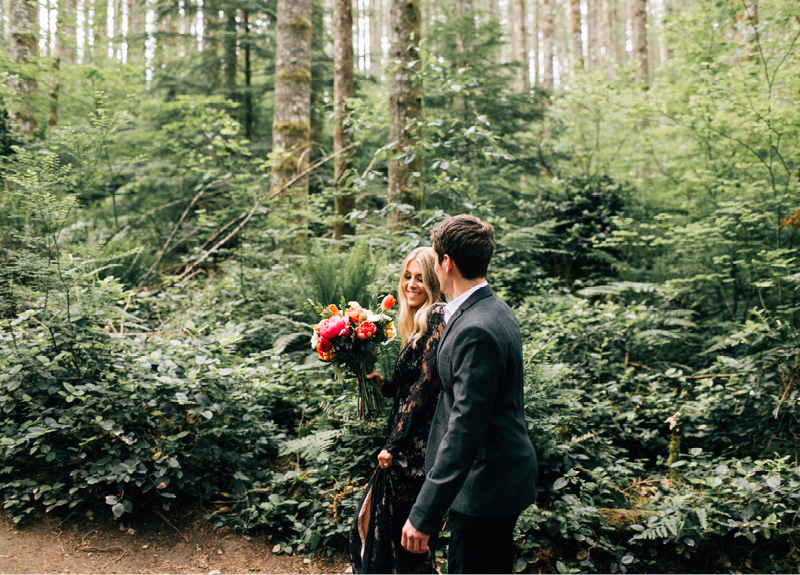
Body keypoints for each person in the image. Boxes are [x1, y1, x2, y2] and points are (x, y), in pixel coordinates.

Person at [401, 215, 539, 574]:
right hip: (491, 478)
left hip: (484, 485)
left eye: (435, 256)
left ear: (446, 262)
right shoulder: (492, 309)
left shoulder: (476, 328)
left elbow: (465, 427)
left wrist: (424, 513)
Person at [348, 247, 445, 574]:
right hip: (406, 441)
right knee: (383, 528)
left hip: (413, 450)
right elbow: (410, 386)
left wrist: (394, 444)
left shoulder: (436, 316)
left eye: (420, 278)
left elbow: (426, 386)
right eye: (407, 277)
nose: (411, 284)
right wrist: (384, 385)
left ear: (433, 281)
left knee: (400, 536)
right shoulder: (418, 323)